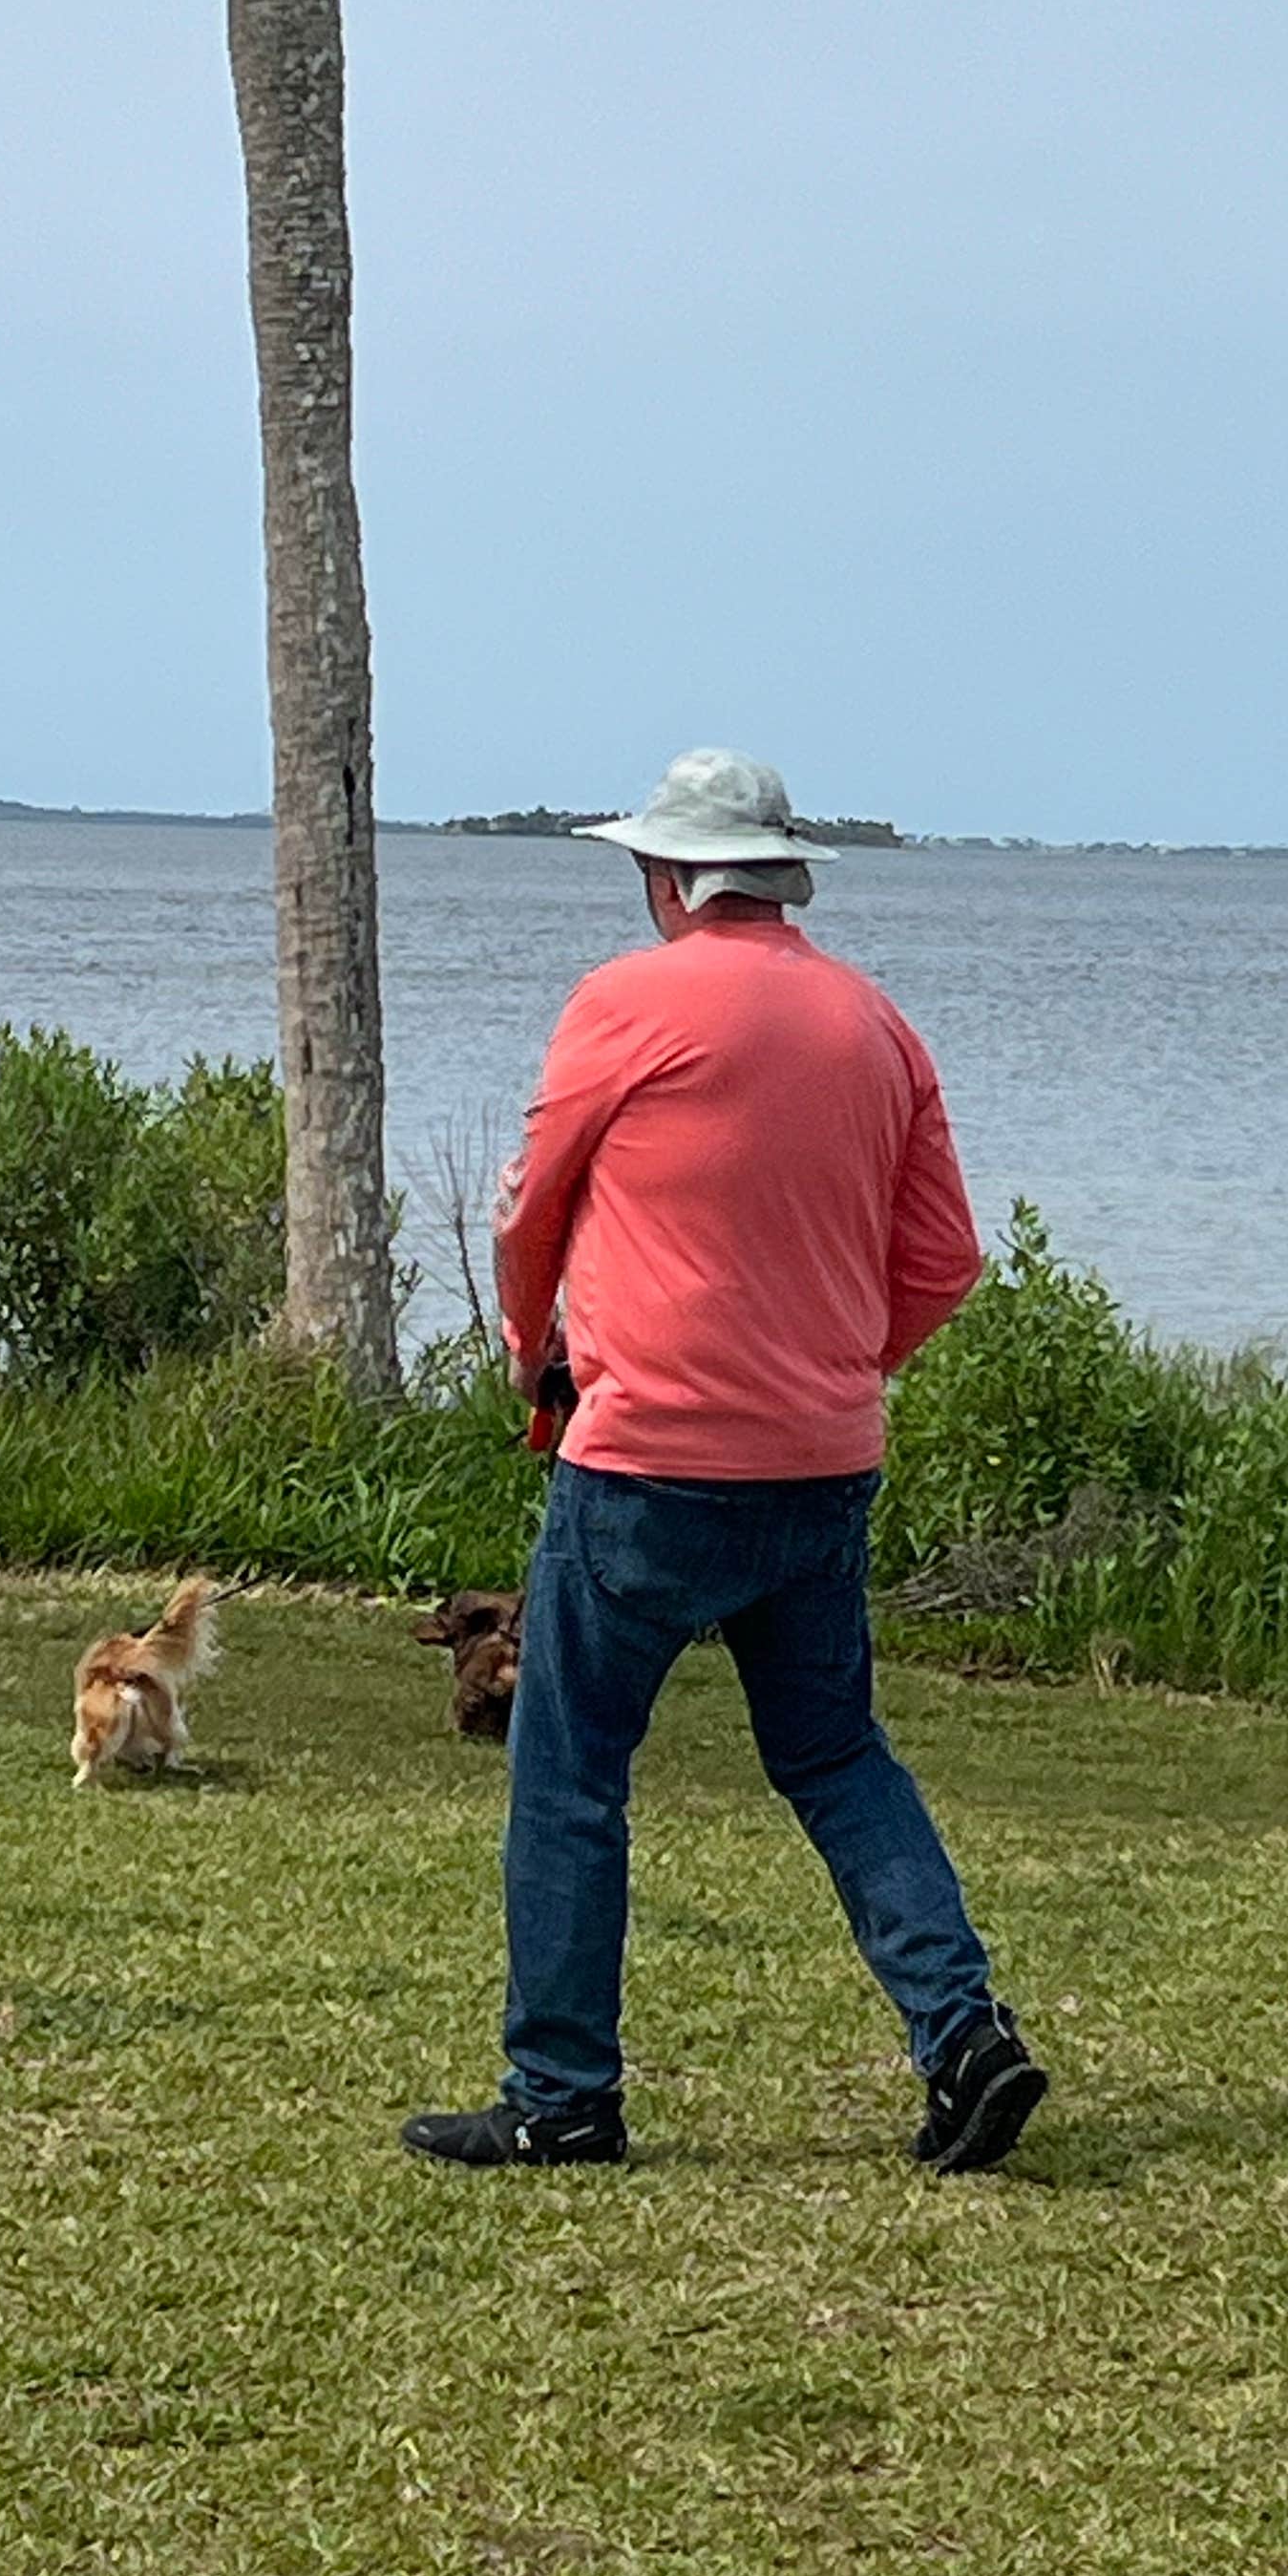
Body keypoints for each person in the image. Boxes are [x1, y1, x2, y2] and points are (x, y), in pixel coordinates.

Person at [404, 748, 1050, 2175]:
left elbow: (531, 1213)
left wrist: (533, 1352)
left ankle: (562, 2096)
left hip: (643, 1465)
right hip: (820, 1471)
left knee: (569, 1767)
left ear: (671, 876)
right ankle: (965, 2035)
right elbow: (943, 1261)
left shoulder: (624, 1005)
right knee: (832, 1752)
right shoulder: (875, 1026)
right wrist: (832, 1368)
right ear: (779, 875)